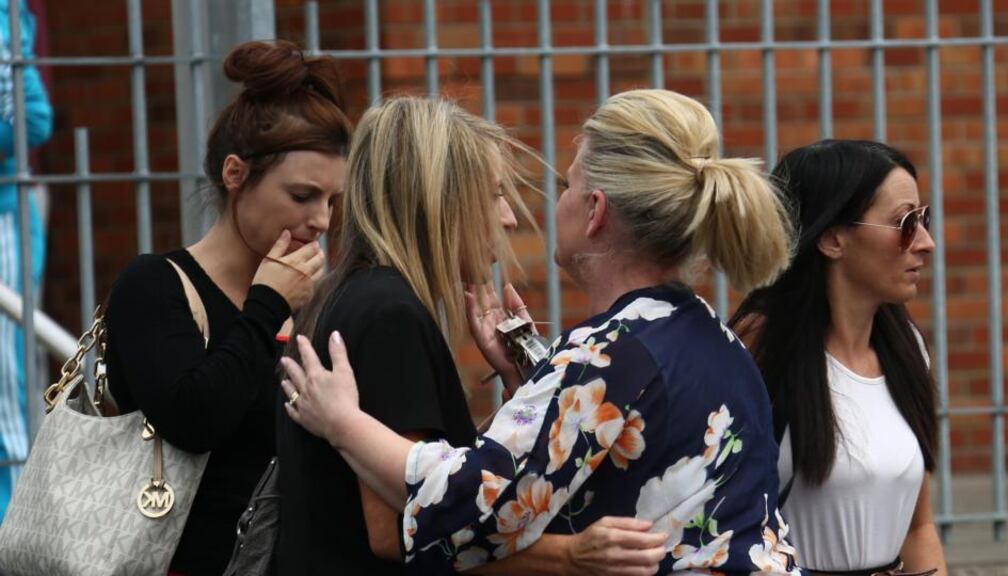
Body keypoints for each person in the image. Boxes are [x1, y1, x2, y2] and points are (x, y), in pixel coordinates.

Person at [281, 89, 803, 575]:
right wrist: (534, 375)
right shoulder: (714, 336)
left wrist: (342, 422)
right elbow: (607, 450)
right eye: (496, 195)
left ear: (595, 211)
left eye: (566, 186)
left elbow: (473, 499)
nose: (513, 217)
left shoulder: (609, 354)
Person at [104, 40, 350, 575]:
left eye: (332, 201)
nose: (322, 221)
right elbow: (194, 420)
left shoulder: (312, 301)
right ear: (236, 174)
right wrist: (265, 307)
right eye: (302, 196)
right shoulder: (155, 286)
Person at [729, 140, 947, 575]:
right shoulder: (758, 347)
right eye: (905, 222)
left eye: (922, 219)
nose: (926, 243)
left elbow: (919, 529)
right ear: (832, 239)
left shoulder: (907, 348)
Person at [0, 0, 52, 523]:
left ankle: (10, 529)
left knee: (4, 396)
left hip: (4, 216)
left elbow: (28, 121)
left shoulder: (6, 15)